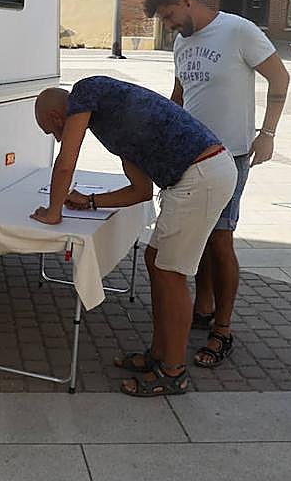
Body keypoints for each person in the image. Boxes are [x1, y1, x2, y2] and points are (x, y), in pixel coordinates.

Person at [32, 78, 235, 398]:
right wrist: (91, 202)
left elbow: (66, 163)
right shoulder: (113, 121)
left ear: (58, 117)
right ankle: (158, 354)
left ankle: (173, 372)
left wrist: (53, 211)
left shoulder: (86, 91)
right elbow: (141, 191)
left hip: (201, 174)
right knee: (155, 262)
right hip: (201, 172)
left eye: (51, 130)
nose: (56, 138)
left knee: (171, 273)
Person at [144, 0, 290, 370]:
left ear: (185, 0)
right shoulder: (181, 42)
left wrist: (268, 133)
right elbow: (180, 96)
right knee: (200, 237)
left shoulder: (238, 30)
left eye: (171, 16)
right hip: (189, 156)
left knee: (221, 239)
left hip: (231, 155)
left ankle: (222, 329)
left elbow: (280, 78)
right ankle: (203, 307)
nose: (171, 26)